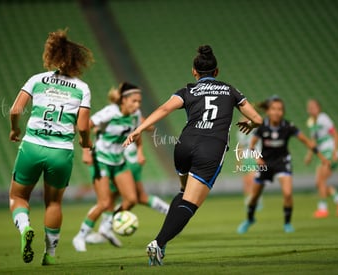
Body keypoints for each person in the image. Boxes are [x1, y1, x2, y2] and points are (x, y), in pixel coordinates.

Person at [123, 45, 263, 266]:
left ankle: (162, 244)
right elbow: (258, 118)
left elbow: (163, 110)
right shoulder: (230, 90)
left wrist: (139, 129)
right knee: (190, 203)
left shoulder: (187, 90)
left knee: (183, 192)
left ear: (194, 72)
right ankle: (158, 243)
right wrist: (251, 122)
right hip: (211, 148)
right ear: (216, 72)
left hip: (184, 145)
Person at [8, 29, 93, 265]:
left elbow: (15, 110)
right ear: (78, 61)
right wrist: (86, 144)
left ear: (53, 56)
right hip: (61, 151)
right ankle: (51, 255)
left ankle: (25, 228)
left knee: (17, 197)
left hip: (32, 146)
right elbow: (84, 127)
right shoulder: (81, 88)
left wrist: (15, 129)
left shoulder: (37, 80)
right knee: (54, 203)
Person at [84, 88, 170, 247]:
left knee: (126, 197)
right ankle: (105, 228)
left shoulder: (129, 116)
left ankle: (105, 228)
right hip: (122, 160)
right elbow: (147, 127)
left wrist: (140, 149)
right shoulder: (114, 116)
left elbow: (145, 127)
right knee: (131, 197)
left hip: (124, 161)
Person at [237, 96, 330, 235]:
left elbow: (307, 141)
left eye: (280, 109)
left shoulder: (288, 126)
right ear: (268, 111)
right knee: (254, 196)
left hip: (282, 162)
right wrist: (257, 158)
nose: (277, 112)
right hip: (266, 163)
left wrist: (322, 158)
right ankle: (250, 219)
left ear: (283, 112)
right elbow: (251, 146)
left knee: (287, 193)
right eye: (273, 109)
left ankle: (287, 223)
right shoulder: (262, 126)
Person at [72, 82, 142, 252]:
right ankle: (81, 235)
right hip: (101, 159)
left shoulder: (136, 115)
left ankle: (106, 227)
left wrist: (140, 151)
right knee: (104, 203)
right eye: (133, 101)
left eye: (139, 101)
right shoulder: (110, 112)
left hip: (119, 161)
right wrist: (86, 150)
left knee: (131, 200)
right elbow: (85, 125)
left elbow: (137, 132)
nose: (137, 105)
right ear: (123, 100)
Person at [305, 99, 338, 218]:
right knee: (318, 183)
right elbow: (313, 142)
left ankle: (323, 209)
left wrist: (334, 152)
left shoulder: (323, 118)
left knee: (321, 182)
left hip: (329, 152)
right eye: (309, 107)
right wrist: (309, 156)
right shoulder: (311, 123)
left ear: (319, 108)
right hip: (322, 154)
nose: (311, 109)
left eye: (313, 106)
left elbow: (336, 134)